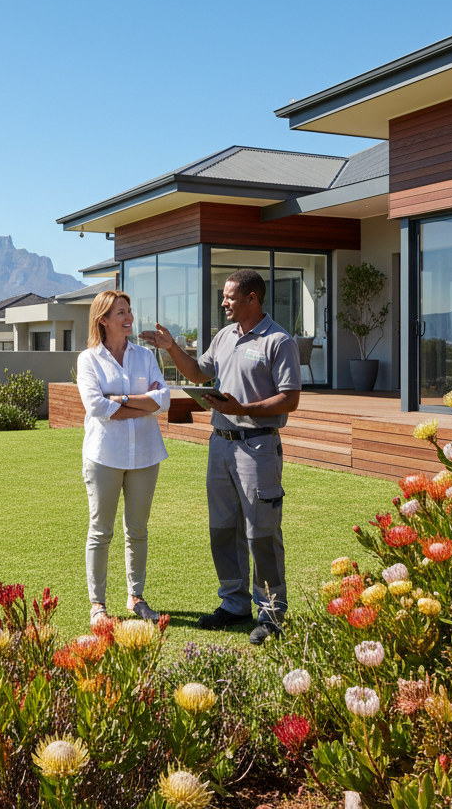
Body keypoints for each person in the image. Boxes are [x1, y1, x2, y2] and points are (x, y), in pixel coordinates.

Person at [141, 268, 300, 645]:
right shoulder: (225, 336)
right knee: (222, 529)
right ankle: (234, 603)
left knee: (261, 531)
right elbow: (198, 373)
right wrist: (171, 348)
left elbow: (289, 398)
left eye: (230, 296)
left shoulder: (279, 341)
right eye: (224, 296)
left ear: (251, 298)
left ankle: (272, 612)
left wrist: (244, 408)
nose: (224, 302)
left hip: (258, 445)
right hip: (219, 445)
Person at [76, 290, 171, 626]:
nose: (129, 317)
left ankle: (136, 597)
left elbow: (164, 400)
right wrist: (140, 404)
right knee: (101, 532)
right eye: (121, 313)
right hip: (104, 455)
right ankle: (97, 604)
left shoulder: (145, 356)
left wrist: (120, 399)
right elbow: (96, 407)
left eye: (129, 311)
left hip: (146, 454)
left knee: (138, 530)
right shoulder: (88, 360)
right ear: (103, 319)